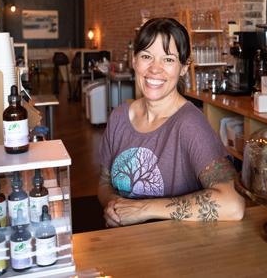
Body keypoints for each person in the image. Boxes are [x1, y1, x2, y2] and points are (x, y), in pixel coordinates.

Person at [98, 17, 245, 227]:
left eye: (168, 59)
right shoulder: (119, 117)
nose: (155, 69)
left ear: (184, 67)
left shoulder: (190, 124)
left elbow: (234, 204)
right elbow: (104, 183)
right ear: (134, 60)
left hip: (171, 251)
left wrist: (143, 209)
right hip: (123, 246)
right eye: (147, 56)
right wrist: (114, 207)